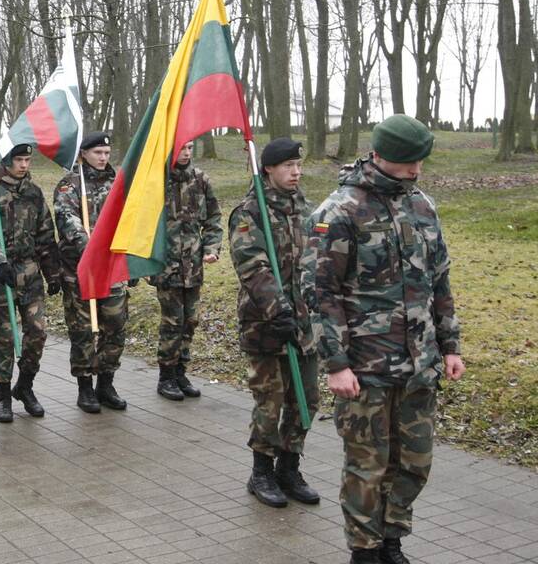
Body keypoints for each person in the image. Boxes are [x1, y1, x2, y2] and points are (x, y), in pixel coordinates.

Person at [308, 115, 464, 564]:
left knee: (414, 462)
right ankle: (364, 549)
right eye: (406, 162)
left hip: (420, 365)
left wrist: (450, 346)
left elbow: (440, 281)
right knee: (367, 463)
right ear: (379, 156)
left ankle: (392, 539)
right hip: (365, 368)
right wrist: (336, 363)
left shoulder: (422, 206)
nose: (415, 170)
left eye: (419, 161)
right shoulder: (340, 211)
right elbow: (321, 294)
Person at [228, 137, 320, 509]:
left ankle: (289, 467)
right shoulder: (250, 212)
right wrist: (277, 309)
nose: (296, 172)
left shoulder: (307, 210)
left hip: (303, 324)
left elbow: (319, 262)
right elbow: (252, 266)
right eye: (288, 166)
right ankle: (261, 471)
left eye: (299, 166)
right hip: (265, 324)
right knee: (271, 400)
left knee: (306, 400)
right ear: (268, 169)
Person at [0, 143, 61, 422]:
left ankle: (25, 385)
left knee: (37, 333)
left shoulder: (33, 193)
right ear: (6, 160)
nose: (24, 165)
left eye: (27, 159)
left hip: (30, 274)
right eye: (18, 159)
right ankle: (2, 394)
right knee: (5, 338)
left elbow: (45, 233)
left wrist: (52, 271)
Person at [53, 132, 130, 413]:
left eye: (107, 153)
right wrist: (90, 245)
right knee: (83, 330)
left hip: (112, 268)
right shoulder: (70, 185)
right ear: (83, 153)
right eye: (98, 153)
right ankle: (85, 387)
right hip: (81, 269)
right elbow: (65, 217)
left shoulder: (117, 183)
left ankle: (106, 383)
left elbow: (128, 218)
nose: (103, 158)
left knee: (115, 325)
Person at [153, 141, 222, 401]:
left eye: (190, 148)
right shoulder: (157, 180)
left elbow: (213, 219)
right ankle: (166, 376)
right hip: (166, 266)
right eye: (181, 148)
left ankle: (181, 371)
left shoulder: (200, 180)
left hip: (192, 266)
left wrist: (212, 248)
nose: (186, 153)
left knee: (190, 321)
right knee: (172, 321)